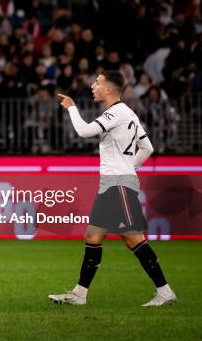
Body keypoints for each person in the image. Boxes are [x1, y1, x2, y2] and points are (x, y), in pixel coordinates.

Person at [50, 70, 177, 307]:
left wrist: (71, 107)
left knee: (133, 239)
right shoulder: (128, 113)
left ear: (109, 89)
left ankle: (165, 291)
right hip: (115, 182)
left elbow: (84, 131)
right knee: (93, 236)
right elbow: (147, 147)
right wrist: (130, 166)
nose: (93, 86)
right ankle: (79, 294)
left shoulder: (117, 112)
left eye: (97, 83)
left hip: (118, 183)